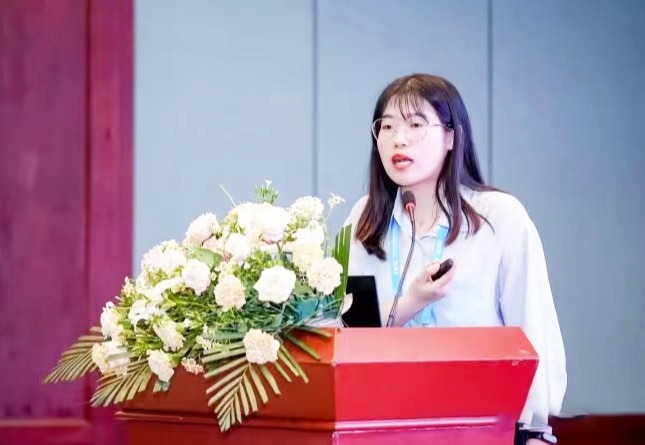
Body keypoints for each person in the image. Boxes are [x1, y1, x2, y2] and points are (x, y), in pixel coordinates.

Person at [343, 73, 566, 444]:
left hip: (481, 429)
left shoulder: (499, 218)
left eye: (416, 124)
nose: (399, 138)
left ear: (451, 137)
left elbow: (532, 330)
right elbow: (350, 334)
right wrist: (411, 302)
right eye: (387, 126)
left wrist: (536, 431)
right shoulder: (365, 221)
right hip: (381, 427)